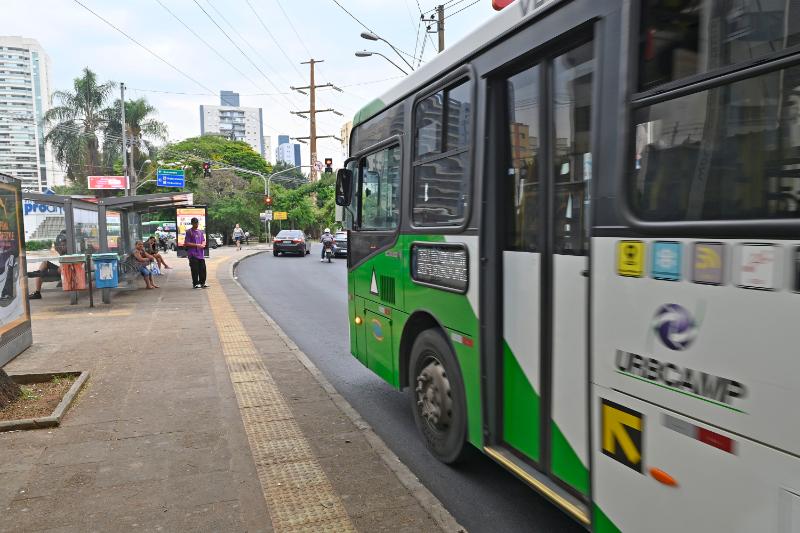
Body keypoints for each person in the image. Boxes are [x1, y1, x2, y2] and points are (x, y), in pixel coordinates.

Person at [28, 229, 68, 300]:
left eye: (64, 243)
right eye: (61, 243)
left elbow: (63, 267)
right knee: (45, 262)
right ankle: (37, 292)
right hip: (61, 268)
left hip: (64, 271)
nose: (62, 245)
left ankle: (40, 273)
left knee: (41, 273)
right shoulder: (63, 249)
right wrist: (59, 250)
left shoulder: (72, 248)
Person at [184, 217, 208, 289]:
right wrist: (197, 245)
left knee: (203, 269)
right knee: (195, 269)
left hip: (200, 254)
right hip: (192, 254)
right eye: (194, 223)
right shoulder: (189, 232)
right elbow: (187, 243)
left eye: (197, 223)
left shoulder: (200, 232)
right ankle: (195, 283)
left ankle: (202, 282)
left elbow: (203, 240)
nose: (196, 224)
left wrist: (203, 244)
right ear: (192, 223)